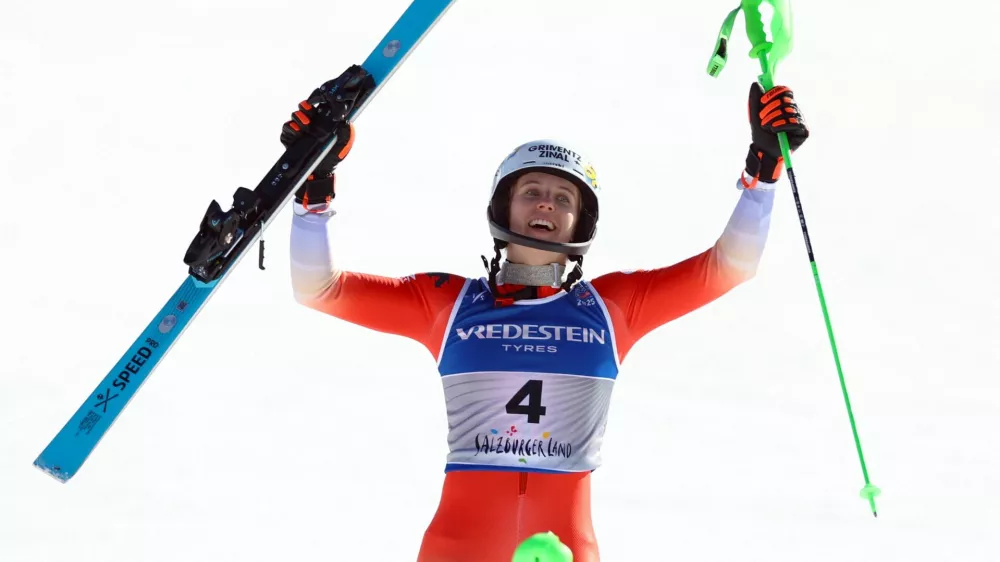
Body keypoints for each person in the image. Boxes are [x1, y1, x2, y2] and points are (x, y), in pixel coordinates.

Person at [284, 73, 810, 562]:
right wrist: (314, 187)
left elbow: (731, 266)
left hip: (565, 549)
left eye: (563, 198)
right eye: (531, 191)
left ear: (581, 221)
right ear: (504, 207)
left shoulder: (612, 309)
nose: (546, 205)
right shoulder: (448, 304)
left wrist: (763, 169)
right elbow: (319, 288)